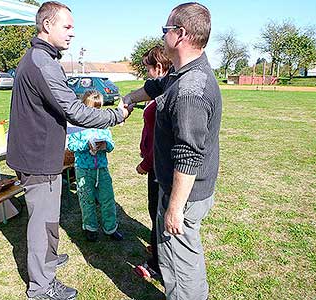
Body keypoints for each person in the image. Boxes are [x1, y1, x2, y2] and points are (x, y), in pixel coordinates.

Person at [6, 2, 129, 300]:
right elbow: (74, 110)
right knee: (43, 223)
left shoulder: (41, 58)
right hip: (38, 159)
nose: (73, 32)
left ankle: (46, 260)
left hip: (37, 155)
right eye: (67, 26)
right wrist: (116, 115)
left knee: (47, 219)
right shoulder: (42, 62)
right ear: (47, 25)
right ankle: (41, 286)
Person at [123, 3, 222, 300]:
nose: (162, 34)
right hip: (178, 189)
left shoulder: (190, 90)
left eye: (164, 30)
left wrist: (175, 208)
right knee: (176, 255)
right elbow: (157, 85)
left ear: (180, 34)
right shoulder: (183, 73)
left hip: (185, 195)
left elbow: (188, 156)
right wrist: (130, 97)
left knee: (182, 263)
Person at [133, 45, 171, 279]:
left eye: (147, 68)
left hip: (158, 167)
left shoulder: (164, 97)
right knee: (155, 210)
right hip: (154, 164)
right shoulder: (159, 93)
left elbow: (160, 139)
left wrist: (146, 164)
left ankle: (156, 264)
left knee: (157, 212)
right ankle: (156, 247)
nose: (146, 73)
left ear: (158, 67)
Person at [68, 90, 123, 242]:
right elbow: (71, 145)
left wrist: (105, 145)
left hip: (102, 169)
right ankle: (90, 227)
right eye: (92, 108)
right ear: (84, 107)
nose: (95, 112)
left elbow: (111, 145)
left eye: (98, 108)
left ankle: (110, 228)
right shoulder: (76, 125)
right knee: (87, 200)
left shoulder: (103, 124)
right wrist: (86, 145)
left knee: (107, 199)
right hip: (84, 170)